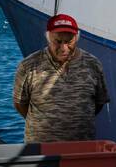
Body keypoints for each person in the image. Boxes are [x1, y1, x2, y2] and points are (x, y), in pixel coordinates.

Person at [12, 13, 109, 142]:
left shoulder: (93, 64)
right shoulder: (28, 66)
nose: (63, 48)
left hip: (82, 148)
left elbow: (99, 102)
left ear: (76, 38)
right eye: (58, 42)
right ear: (48, 38)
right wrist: (44, 124)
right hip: (40, 148)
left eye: (69, 42)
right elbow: (20, 104)